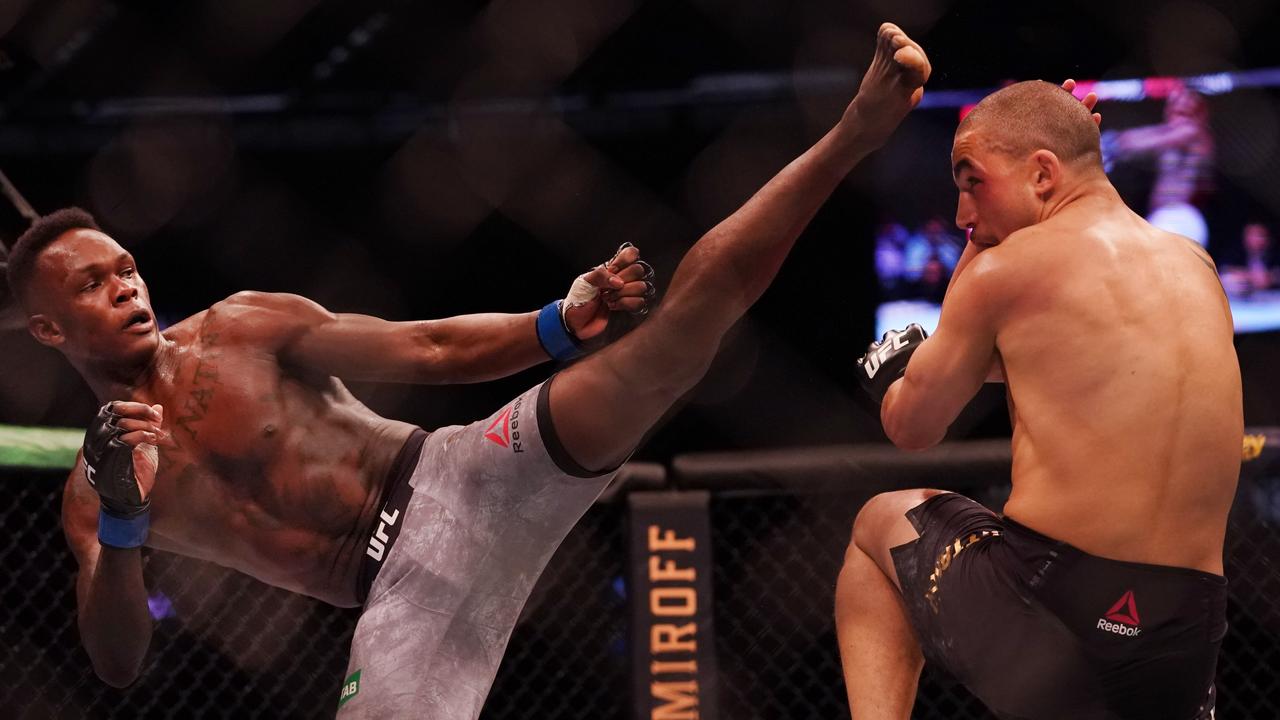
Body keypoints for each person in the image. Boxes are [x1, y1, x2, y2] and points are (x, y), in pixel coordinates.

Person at [6, 22, 931, 719]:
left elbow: (427, 348)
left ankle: (853, 129)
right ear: (48, 329)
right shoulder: (94, 490)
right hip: (397, 600)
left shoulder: (243, 328)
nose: (126, 287)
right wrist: (127, 525)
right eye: (93, 285)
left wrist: (559, 325)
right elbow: (118, 659)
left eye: (125, 265)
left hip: (467, 471)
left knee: (677, 339)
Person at [837, 79, 1239, 719]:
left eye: (973, 183)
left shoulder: (1005, 270)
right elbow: (1062, 366)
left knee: (877, 523)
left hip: (1060, 602)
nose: (965, 214)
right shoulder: (1195, 264)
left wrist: (898, 369)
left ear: (1044, 175)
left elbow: (912, 425)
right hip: (1188, 627)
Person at [1101, 82, 1215, 246]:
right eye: (1174, 110)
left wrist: (1116, 143)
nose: (1177, 118)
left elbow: (1155, 139)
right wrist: (1116, 142)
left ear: (1197, 113)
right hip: (1162, 217)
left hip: (1181, 217)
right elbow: (1153, 136)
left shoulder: (1194, 132)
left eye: (1184, 112)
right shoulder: (1170, 137)